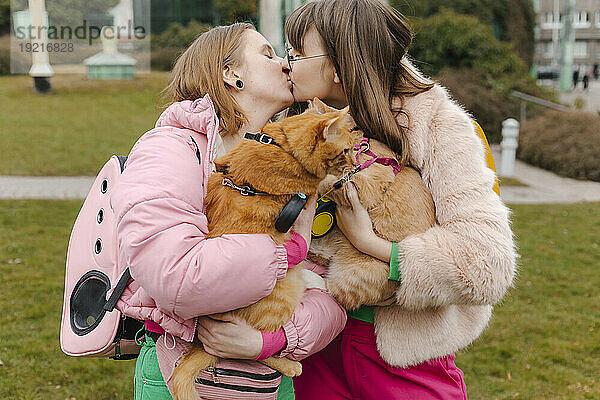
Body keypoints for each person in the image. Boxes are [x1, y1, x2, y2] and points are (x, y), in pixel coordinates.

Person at [282, 0, 517, 399]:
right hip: (311, 345)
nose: (287, 63)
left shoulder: (439, 125)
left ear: (339, 65)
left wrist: (369, 243)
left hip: (403, 358)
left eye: (298, 53)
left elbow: (487, 264)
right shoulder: (291, 117)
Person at [110, 23, 347, 399]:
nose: (287, 65)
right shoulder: (169, 149)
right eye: (268, 55)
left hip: (271, 381)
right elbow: (176, 276)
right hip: (183, 372)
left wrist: (269, 341)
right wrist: (287, 254)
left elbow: (331, 291)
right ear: (230, 73)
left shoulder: (296, 158)